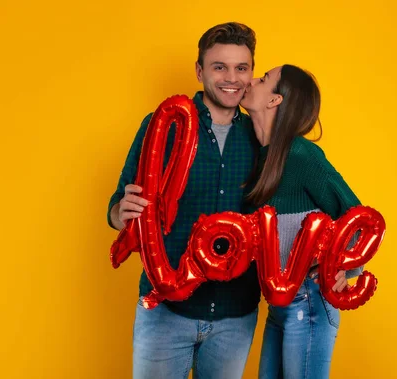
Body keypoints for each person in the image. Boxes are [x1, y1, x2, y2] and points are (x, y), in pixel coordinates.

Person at [107, 22, 261, 379]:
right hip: (165, 312)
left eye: (242, 68)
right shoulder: (163, 124)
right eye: (219, 66)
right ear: (199, 70)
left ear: (251, 71)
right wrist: (120, 212)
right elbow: (118, 203)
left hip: (234, 316)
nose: (231, 78)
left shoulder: (260, 134)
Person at [240, 64, 364, 379]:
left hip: (308, 300)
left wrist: (345, 269)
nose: (252, 80)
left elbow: (358, 219)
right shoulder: (262, 157)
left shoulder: (301, 154)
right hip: (278, 304)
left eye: (264, 79)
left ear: (274, 101)